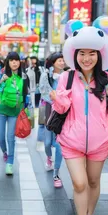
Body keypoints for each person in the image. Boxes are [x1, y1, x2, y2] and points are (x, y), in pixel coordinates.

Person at [51, 24, 108, 215]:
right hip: (70, 140)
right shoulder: (66, 78)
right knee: (79, 183)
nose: (87, 58)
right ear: (75, 55)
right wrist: (58, 100)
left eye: (91, 53)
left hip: (100, 141)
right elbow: (61, 109)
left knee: (93, 181)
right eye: (82, 53)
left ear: (99, 54)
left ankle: (90, 214)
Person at [0, 52, 29, 175]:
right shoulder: (3, 75)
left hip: (15, 111)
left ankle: (10, 163)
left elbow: (26, 94)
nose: (14, 63)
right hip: (1, 110)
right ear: (8, 62)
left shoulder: (24, 77)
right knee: (1, 138)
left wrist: (25, 108)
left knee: (11, 138)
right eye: (12, 60)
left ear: (20, 62)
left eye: (16, 60)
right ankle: (4, 151)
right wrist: (0, 82)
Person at [39, 52, 65, 188]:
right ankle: (49, 158)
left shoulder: (67, 76)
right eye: (59, 60)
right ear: (53, 62)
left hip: (63, 112)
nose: (62, 62)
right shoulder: (46, 75)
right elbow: (43, 91)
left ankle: (56, 173)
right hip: (50, 110)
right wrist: (55, 101)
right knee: (48, 143)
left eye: (63, 60)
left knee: (60, 145)